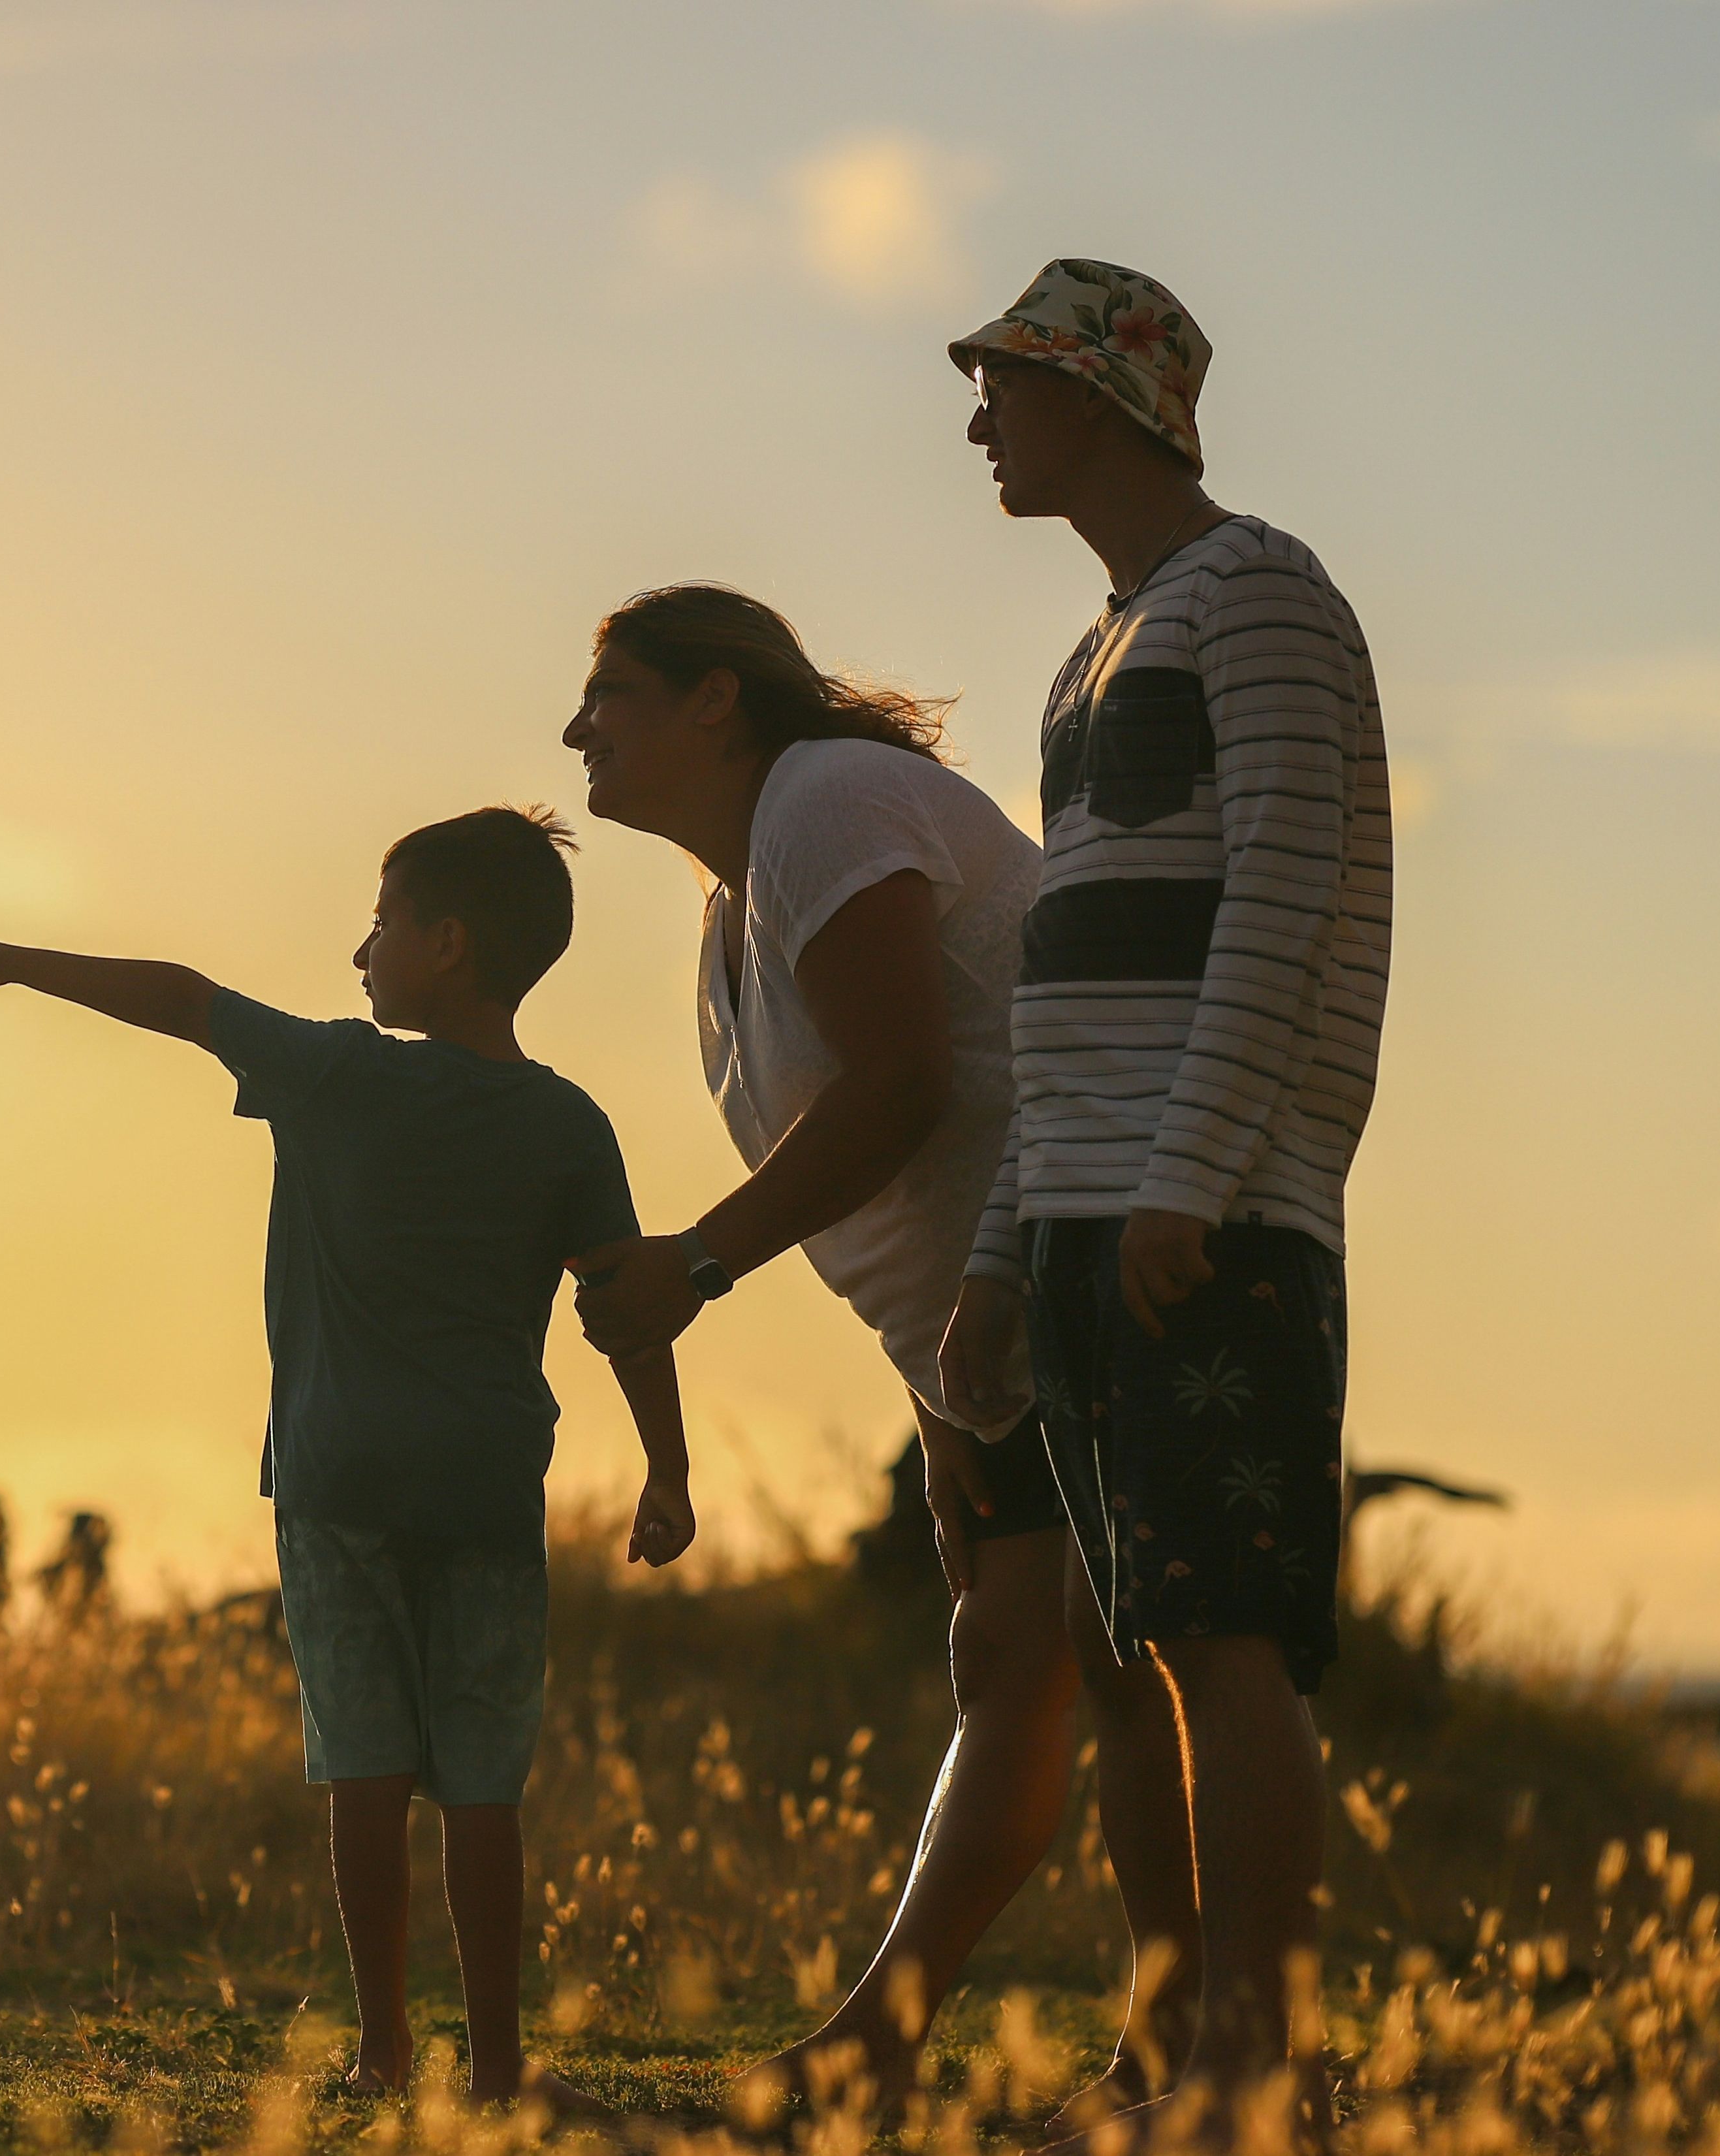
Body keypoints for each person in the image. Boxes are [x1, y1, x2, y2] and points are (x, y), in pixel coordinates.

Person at [0, 806, 692, 2116]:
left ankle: (384, 2053)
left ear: (445, 944)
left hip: (336, 1481)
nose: (362, 947)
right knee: (481, 1789)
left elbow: (181, 998)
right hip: (488, 1486)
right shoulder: (568, 1124)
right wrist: (667, 1471)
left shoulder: (334, 1073)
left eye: (382, 922)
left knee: (364, 1772)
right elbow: (623, 1305)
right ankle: (497, 2070)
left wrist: (12, 959)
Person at [560, 586, 1193, 2110]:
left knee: (1118, 1664)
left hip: (1094, 1256)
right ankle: (970, 2047)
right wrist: (941, 1409)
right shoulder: (743, 897)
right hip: (991, 1324)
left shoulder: (827, 804)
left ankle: (1163, 2056)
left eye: (612, 694)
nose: (580, 728)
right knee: (1021, 1662)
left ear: (717, 701)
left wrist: (698, 1260)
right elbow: (914, 1147)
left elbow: (908, 1084)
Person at [933, 259, 1393, 2150]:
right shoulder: (1094, 645)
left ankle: (1249, 2078)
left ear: (1109, 405)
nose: (977, 421)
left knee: (1222, 1636)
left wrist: (1190, 1174)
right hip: (1080, 1214)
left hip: (1201, 1211)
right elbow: (1067, 971)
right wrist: (993, 1248)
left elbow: (1286, 903)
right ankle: (1162, 2057)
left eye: (1004, 386)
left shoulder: (1261, 595)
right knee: (1126, 1651)